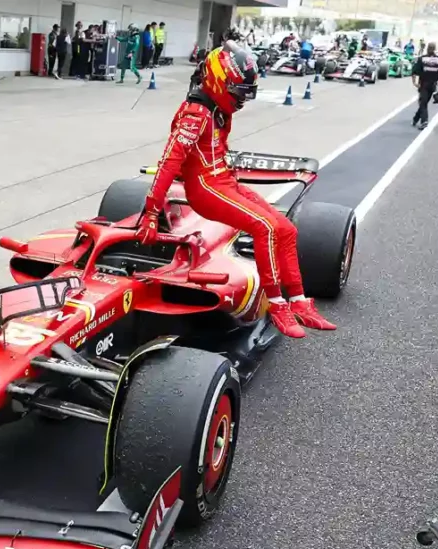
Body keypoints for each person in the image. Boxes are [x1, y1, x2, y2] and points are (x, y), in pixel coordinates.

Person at [136, 42, 335, 339]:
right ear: (220, 80)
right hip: (205, 189)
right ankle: (277, 306)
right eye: (238, 91)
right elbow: (169, 162)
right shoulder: (196, 113)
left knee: (286, 230)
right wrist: (152, 211)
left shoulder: (218, 109)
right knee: (265, 227)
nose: (241, 99)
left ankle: (298, 301)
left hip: (224, 182)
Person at [412, 42, 438, 129]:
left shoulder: (422, 58)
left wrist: (414, 82)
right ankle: (416, 118)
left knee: (423, 102)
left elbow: (414, 71)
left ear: (427, 48)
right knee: (424, 102)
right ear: (434, 49)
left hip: (423, 83)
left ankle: (424, 121)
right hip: (433, 85)